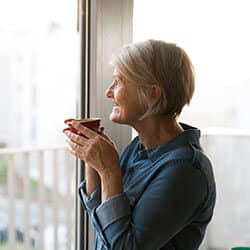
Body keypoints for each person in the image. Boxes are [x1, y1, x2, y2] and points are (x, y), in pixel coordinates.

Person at [64, 39, 216, 250]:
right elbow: (102, 222)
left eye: (118, 81)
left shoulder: (186, 170)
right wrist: (94, 161)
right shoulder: (138, 148)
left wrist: (109, 172)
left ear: (153, 94)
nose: (109, 92)